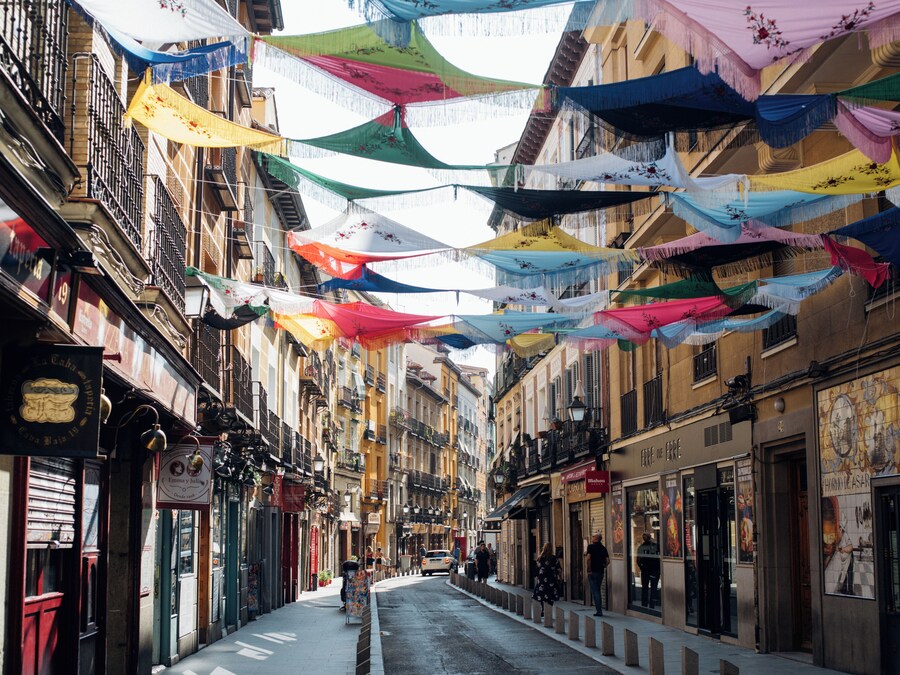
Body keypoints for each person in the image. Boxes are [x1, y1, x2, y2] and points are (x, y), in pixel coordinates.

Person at [532, 542, 561, 618]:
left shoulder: (540, 558)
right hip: (551, 578)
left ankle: (543, 609)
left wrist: (537, 576)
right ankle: (549, 609)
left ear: (543, 548)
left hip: (542, 578)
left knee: (542, 594)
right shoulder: (554, 558)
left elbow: (536, 569)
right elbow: (559, 569)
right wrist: (558, 576)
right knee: (550, 594)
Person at [585, 533, 610, 616]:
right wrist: (604, 566)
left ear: (596, 538)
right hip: (600, 572)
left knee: (595, 591)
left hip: (592, 572)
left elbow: (588, 558)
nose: (592, 537)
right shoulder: (603, 548)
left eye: (593, 536)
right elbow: (608, 561)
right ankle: (599, 610)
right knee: (598, 590)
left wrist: (589, 569)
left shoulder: (591, 547)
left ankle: (599, 611)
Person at [636, 532, 660, 609]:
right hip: (654, 570)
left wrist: (641, 567)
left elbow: (638, 560)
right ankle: (652, 605)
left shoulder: (641, 547)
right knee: (653, 588)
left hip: (646, 570)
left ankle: (644, 604)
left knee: (645, 588)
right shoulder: (656, 546)